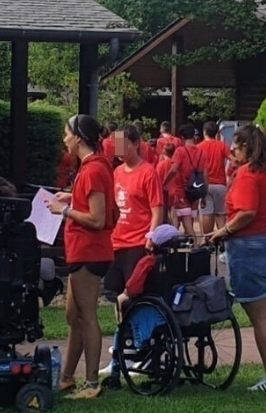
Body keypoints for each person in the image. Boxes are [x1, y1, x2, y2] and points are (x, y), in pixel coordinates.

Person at [208, 125, 266, 392]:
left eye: (235, 147)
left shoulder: (248, 174)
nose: (231, 151)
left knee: (259, 316)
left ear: (247, 148)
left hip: (254, 248)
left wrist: (222, 231)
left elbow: (247, 212)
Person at [47, 115, 116, 399]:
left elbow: (98, 218)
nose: (64, 140)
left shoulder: (93, 170)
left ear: (78, 137)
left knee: (87, 316)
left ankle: (90, 383)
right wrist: (71, 198)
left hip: (90, 250)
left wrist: (63, 210)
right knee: (73, 315)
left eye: (66, 134)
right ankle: (66, 377)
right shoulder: (91, 168)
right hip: (82, 250)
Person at [103, 125, 164, 382]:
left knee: (134, 296)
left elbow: (157, 208)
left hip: (138, 243)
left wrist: (151, 237)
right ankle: (122, 348)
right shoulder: (116, 172)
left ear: (135, 143)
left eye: (122, 143)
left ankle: (140, 346)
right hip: (116, 243)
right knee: (114, 296)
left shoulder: (148, 172)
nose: (117, 149)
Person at [165, 123, 204, 237]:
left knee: (178, 222)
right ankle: (192, 247)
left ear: (182, 138)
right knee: (190, 221)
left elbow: (173, 170)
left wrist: (164, 183)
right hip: (195, 191)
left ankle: (179, 247)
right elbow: (204, 175)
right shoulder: (201, 152)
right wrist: (204, 195)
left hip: (181, 190)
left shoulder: (180, 151)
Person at [199, 121, 232, 235]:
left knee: (206, 213)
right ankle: (222, 238)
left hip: (205, 184)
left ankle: (208, 239)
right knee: (220, 213)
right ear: (217, 133)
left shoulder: (200, 147)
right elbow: (233, 159)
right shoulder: (222, 146)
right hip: (221, 184)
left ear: (205, 132)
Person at [156, 142, 179, 227]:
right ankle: (175, 230)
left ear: (164, 151)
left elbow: (157, 178)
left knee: (165, 213)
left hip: (164, 191)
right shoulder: (175, 163)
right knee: (173, 211)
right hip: (175, 190)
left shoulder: (161, 164)